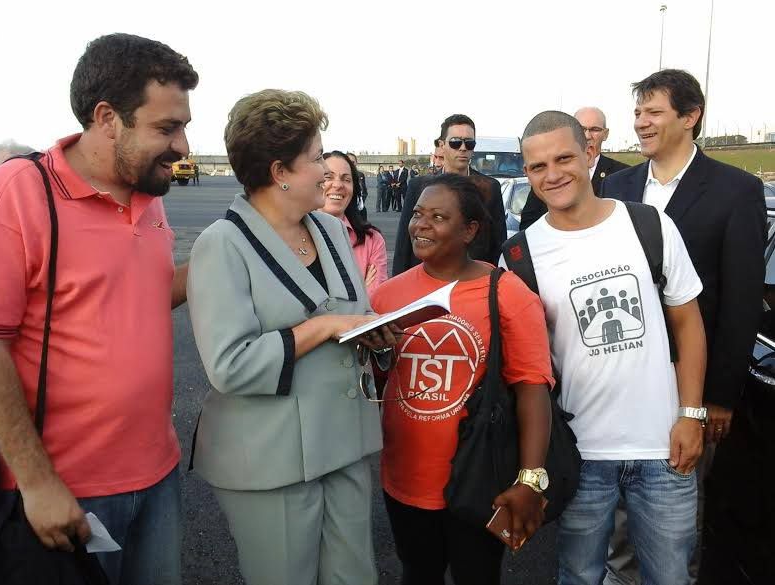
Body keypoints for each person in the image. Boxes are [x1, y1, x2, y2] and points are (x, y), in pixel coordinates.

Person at [0, 33, 198, 584]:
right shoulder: (21, 191)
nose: (182, 146)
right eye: (166, 128)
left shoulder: (149, 198)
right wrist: (36, 482)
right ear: (107, 117)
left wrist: (220, 263)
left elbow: (139, 300)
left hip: (158, 474)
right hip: (67, 490)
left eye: (183, 126)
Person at [186, 89, 397, 585]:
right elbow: (229, 364)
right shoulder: (222, 244)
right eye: (316, 157)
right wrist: (323, 327)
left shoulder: (329, 229)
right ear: (280, 171)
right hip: (269, 459)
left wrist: (372, 330)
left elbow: (353, 312)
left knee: (356, 577)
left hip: (343, 441)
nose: (326, 169)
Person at [504, 110, 707, 585]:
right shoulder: (519, 255)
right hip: (578, 456)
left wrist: (691, 414)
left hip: (664, 448)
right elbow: (526, 367)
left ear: (589, 154)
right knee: (578, 576)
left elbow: (688, 323)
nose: (553, 175)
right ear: (527, 172)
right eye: (537, 167)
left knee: (671, 577)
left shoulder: (649, 225)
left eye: (564, 158)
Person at [600, 69, 766, 585]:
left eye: (653, 112)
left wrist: (718, 398)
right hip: (618, 380)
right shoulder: (615, 186)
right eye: (637, 113)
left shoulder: (737, 190)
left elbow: (740, 302)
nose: (640, 123)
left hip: (687, 387)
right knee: (615, 516)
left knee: (676, 519)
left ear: (690, 117)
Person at [371, 173, 554, 585]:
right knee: (417, 573)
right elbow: (380, 379)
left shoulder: (508, 294)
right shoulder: (386, 297)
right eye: (418, 215)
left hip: (479, 478)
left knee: (478, 576)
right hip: (404, 477)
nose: (421, 226)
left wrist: (530, 479)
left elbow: (532, 388)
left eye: (438, 217)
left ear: (470, 229)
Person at [392, 114, 506, 276]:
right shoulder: (419, 186)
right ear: (441, 145)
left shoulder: (489, 187)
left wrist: (494, 282)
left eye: (469, 143)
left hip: (474, 280)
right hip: (425, 277)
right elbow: (404, 244)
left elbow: (497, 242)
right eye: (455, 142)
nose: (463, 148)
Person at [520, 106, 629, 230]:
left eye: (563, 159)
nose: (588, 135)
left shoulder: (624, 177)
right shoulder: (526, 243)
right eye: (582, 129)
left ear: (589, 155)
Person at [321, 151, 388, 292]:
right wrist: (359, 294)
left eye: (346, 179)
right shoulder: (293, 234)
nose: (338, 185)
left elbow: (375, 300)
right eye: (328, 177)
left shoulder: (372, 240)